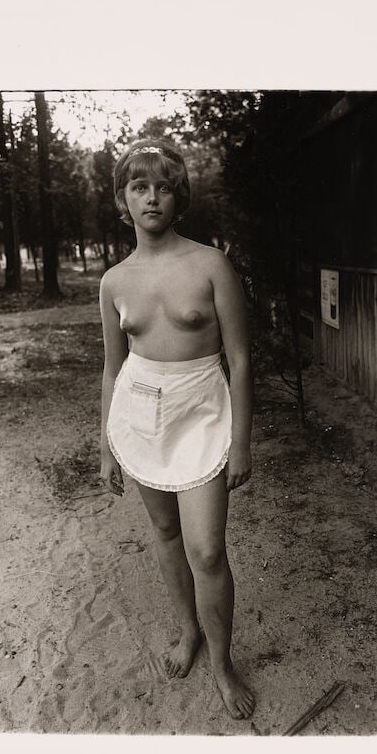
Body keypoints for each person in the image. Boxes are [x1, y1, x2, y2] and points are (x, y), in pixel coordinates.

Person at [98, 138, 255, 720]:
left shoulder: (210, 264)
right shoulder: (114, 281)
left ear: (179, 196)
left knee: (207, 549)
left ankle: (222, 662)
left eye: (163, 185)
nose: (152, 197)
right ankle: (187, 631)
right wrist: (107, 444)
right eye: (140, 186)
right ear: (124, 201)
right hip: (139, 414)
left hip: (202, 412)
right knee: (166, 535)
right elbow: (112, 366)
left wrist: (241, 440)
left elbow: (239, 358)